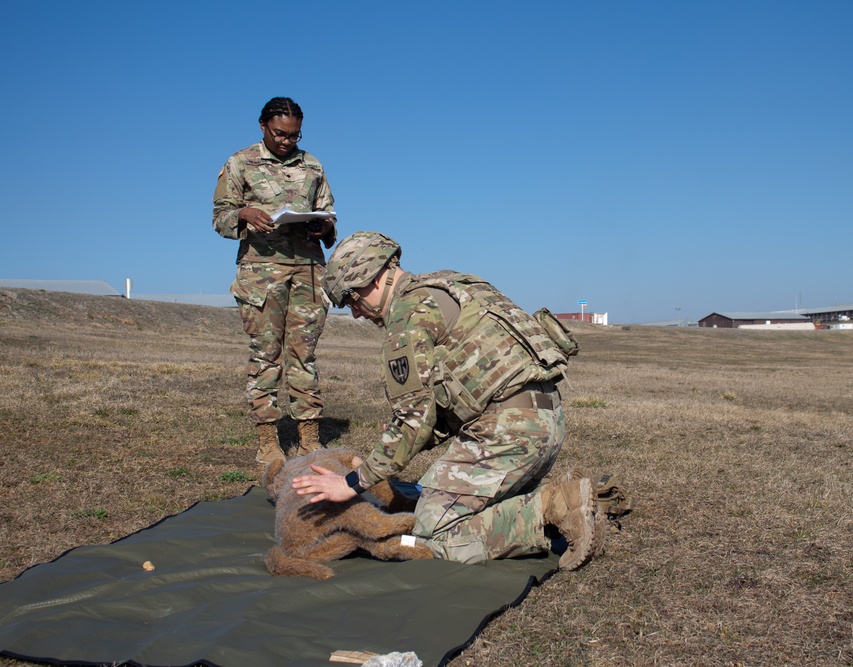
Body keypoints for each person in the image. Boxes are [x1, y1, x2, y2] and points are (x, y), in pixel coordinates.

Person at [290, 231, 606, 570]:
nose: (356, 313)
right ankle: (581, 499)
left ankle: (553, 507)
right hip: (547, 419)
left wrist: (353, 481)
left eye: (352, 299)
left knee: (430, 534)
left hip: (508, 432)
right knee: (434, 499)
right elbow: (461, 391)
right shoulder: (453, 283)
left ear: (374, 277)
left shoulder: (408, 319)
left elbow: (414, 420)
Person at [212, 97, 337, 465]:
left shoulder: (312, 164)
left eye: (294, 136)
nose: (287, 142)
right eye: (280, 134)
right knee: (266, 355)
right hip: (261, 273)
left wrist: (324, 226)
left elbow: (330, 215)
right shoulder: (240, 163)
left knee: (304, 355)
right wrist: (244, 213)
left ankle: (309, 437)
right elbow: (220, 218)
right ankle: (268, 441)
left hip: (308, 272)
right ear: (263, 126)